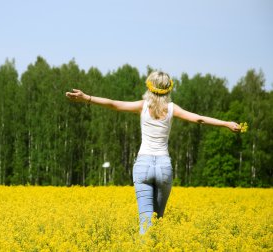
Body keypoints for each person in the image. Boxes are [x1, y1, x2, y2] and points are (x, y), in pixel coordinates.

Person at [65, 71, 241, 234]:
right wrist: (226, 123)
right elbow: (199, 119)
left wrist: (86, 97)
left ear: (149, 86)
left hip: (142, 166)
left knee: (146, 222)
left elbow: (114, 104)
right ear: (168, 89)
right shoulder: (172, 108)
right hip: (164, 166)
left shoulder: (142, 106)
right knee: (158, 221)